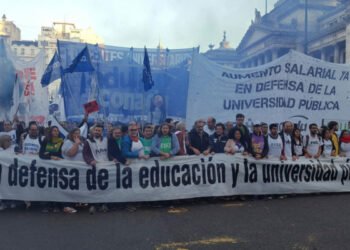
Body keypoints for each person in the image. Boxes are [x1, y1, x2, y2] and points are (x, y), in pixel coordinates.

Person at [82, 124, 109, 214]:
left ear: (102, 132)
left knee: (104, 186)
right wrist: (90, 161)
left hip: (106, 167)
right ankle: (93, 205)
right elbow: (85, 154)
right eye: (96, 130)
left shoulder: (106, 140)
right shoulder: (88, 141)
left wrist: (113, 158)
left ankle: (103, 204)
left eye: (99, 130)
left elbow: (109, 152)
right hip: (94, 167)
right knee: (94, 186)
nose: (97, 132)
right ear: (93, 131)